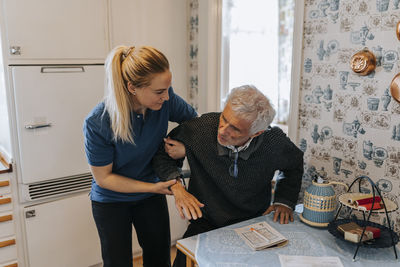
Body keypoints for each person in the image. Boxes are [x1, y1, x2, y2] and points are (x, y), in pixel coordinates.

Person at [153, 85, 304, 267]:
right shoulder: (201, 127)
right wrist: (178, 187)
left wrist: (284, 201)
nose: (223, 130)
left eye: (236, 129)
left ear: (257, 133)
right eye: (224, 119)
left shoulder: (274, 142)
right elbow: (162, 154)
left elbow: (294, 165)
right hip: (206, 221)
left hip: (253, 222)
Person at [83, 45, 197, 267]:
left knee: (159, 258)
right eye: (159, 92)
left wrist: (185, 147)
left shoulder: (166, 99)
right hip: (111, 200)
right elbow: (104, 178)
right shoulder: (98, 122)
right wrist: (153, 188)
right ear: (132, 87)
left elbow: (196, 124)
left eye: (168, 89)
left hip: (150, 196)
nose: (166, 97)